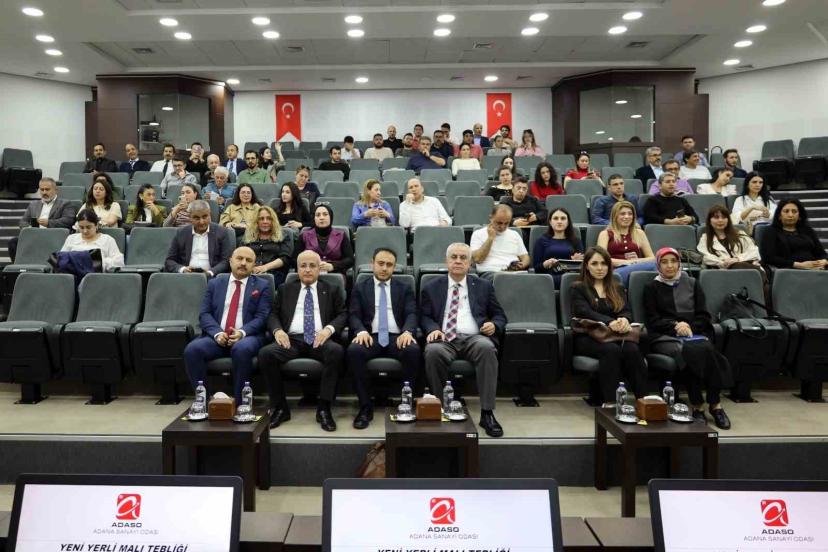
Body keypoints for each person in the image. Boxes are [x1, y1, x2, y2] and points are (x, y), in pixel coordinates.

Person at [421, 242, 507, 437]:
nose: (458, 261)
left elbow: (500, 316)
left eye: (463, 258)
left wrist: (494, 325)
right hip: (444, 338)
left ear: (469, 263)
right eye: (454, 257)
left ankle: (487, 412)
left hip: (474, 337)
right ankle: (440, 408)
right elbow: (424, 316)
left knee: (487, 348)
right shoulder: (431, 286)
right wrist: (433, 329)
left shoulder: (483, 286)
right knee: (433, 351)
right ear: (446, 261)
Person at [258, 250, 347, 431]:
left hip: (319, 339)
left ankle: (324, 408)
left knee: (336, 351)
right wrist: (278, 331)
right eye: (303, 266)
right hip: (291, 340)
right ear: (297, 269)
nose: (307, 270)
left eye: (312, 266)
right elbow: (273, 314)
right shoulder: (285, 289)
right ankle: (280, 408)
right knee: (266, 354)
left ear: (319, 268)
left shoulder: (331, 289)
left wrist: (328, 330)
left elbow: (343, 314)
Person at [644, 247, 732, 429]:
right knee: (693, 351)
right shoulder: (651, 288)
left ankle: (709, 404)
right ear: (658, 265)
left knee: (702, 349)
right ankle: (707, 405)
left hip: (694, 333)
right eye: (664, 262)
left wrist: (689, 326)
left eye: (673, 261)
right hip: (664, 336)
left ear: (679, 263)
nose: (669, 266)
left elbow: (704, 316)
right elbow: (653, 320)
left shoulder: (692, 283)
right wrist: (676, 326)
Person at [183, 246, 272, 402]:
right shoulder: (215, 283)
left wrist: (242, 332)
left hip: (248, 336)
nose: (243, 263)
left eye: (248, 260)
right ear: (230, 261)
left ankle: (240, 403)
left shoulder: (262, 286)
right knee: (192, 350)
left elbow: (262, 317)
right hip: (217, 336)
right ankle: (204, 401)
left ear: (254, 265)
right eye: (239, 258)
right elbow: (204, 314)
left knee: (241, 349)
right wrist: (217, 333)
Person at [347, 248, 420, 429]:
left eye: (389, 265)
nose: (384, 268)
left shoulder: (404, 288)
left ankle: (406, 403)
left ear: (394, 267)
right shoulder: (360, 287)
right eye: (381, 263)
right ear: (372, 264)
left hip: (397, 336)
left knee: (413, 350)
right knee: (354, 351)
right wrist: (360, 331)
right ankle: (365, 407)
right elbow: (354, 314)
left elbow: (411, 313)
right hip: (370, 336)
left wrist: (407, 331)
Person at [570, 246, 648, 405]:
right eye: (594, 264)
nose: (600, 268)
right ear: (587, 266)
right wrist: (609, 322)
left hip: (616, 335)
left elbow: (626, 310)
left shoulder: (617, 287)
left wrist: (624, 320)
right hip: (589, 336)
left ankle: (644, 401)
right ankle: (611, 403)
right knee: (611, 350)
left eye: (604, 263)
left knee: (632, 349)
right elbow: (584, 312)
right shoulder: (578, 288)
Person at [164, 199, 233, 276]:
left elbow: (226, 261)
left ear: (210, 215)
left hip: (212, 277)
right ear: (190, 217)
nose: (201, 222)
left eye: (205, 217)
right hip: (186, 276)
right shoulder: (181, 233)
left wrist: (210, 272)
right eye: (196, 218)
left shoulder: (221, 232)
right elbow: (169, 260)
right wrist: (183, 269)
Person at [597, 200, 656, 285]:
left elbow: (652, 258)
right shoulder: (605, 234)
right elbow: (601, 259)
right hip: (614, 272)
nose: (627, 216)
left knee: (657, 264)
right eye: (622, 214)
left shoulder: (639, 233)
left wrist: (636, 261)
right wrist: (627, 262)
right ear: (615, 216)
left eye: (630, 214)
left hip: (636, 270)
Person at [759, 198, 828, 271]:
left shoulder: (808, 231)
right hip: (787, 270)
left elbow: (822, 253)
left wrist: (823, 261)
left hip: (814, 269)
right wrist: (798, 265)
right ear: (779, 215)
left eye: (794, 211)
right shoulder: (771, 231)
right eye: (786, 211)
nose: (790, 215)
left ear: (799, 216)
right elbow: (768, 257)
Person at [470, 204, 530, 278]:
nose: (502, 227)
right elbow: (478, 259)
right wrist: (490, 238)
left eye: (506, 223)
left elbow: (525, 257)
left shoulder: (514, 234)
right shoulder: (478, 234)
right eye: (499, 223)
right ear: (490, 218)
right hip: (490, 272)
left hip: (513, 272)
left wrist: (521, 265)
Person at [698, 205, 763, 273]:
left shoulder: (740, 234)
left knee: (743, 267)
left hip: (745, 267)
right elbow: (706, 257)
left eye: (724, 217)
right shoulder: (705, 238)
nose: (720, 220)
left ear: (728, 220)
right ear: (709, 220)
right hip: (721, 272)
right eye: (716, 217)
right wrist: (724, 263)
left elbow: (754, 252)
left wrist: (737, 259)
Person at [243, 206, 293, 287]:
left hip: (274, 274)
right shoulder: (248, 236)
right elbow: (241, 255)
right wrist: (251, 268)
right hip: (250, 273)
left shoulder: (283, 236)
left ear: (273, 221)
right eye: (261, 219)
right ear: (256, 221)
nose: (265, 221)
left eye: (269, 218)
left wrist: (265, 267)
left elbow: (285, 258)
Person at [532, 208, 584, 286]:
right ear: (550, 222)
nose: (559, 221)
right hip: (549, 279)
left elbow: (582, 267)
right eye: (555, 218)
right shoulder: (541, 241)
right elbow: (536, 268)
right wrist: (545, 264)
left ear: (568, 222)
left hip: (570, 278)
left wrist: (577, 262)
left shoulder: (576, 241)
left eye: (563, 218)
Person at [299, 204, 354, 275]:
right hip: (309, 274)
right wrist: (310, 265)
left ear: (330, 217)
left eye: (325, 214)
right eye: (318, 215)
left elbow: (350, 260)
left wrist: (333, 266)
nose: (321, 218)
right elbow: (294, 260)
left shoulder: (341, 235)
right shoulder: (304, 235)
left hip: (335, 274)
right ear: (314, 218)